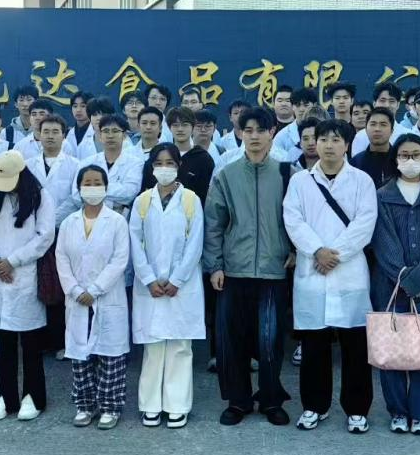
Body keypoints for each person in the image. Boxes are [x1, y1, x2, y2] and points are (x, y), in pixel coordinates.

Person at [283, 120, 377, 434]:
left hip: (348, 272)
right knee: (314, 346)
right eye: (322, 139)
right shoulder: (300, 181)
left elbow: (365, 223)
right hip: (313, 271)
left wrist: (334, 254)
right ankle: (314, 406)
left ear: (347, 145)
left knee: (355, 346)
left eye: (336, 140)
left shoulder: (361, 180)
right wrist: (316, 251)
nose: (328, 145)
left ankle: (357, 409)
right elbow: (293, 220)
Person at [204, 107, 296, 426]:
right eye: (248, 130)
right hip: (234, 269)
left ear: (272, 132)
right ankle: (238, 400)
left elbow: (299, 217)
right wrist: (215, 265)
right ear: (240, 133)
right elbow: (214, 223)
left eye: (261, 129)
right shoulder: (227, 175)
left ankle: (270, 400)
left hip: (273, 269)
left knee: (270, 339)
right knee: (232, 340)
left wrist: (295, 250)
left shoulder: (288, 173)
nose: (254, 136)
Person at [371, 133, 420, 434]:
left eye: (416, 155)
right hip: (389, 286)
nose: (410, 160)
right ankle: (397, 411)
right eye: (404, 155)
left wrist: (417, 280)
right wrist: (405, 278)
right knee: (391, 349)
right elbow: (383, 241)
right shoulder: (382, 196)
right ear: (395, 159)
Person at [0, 151, 57, 421]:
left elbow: (45, 235)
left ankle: (33, 396)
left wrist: (13, 261)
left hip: (24, 276)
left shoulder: (40, 197)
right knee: (4, 344)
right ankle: (5, 396)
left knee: (31, 343)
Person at [130, 145, 206, 429]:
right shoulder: (142, 201)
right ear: (151, 167)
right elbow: (134, 243)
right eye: (159, 163)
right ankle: (150, 405)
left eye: (170, 163)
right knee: (153, 348)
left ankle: (177, 406)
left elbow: (195, 243)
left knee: (179, 346)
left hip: (181, 286)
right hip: (149, 286)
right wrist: (148, 278)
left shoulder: (190, 200)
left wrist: (177, 280)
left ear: (179, 166)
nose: (164, 168)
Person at [57, 165, 132, 429]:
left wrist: (96, 289)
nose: (92, 187)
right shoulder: (69, 223)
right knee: (80, 354)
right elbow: (61, 259)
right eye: (87, 183)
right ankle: (85, 405)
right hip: (77, 299)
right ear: (79, 188)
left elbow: (120, 260)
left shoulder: (117, 221)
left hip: (107, 296)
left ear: (106, 187)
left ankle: (110, 406)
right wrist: (76, 290)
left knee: (110, 355)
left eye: (97, 182)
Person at [27, 113, 81, 358]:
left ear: (64, 135)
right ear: (38, 135)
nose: (50, 136)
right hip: (33, 233)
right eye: (45, 131)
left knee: (60, 286)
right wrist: (41, 224)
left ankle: (61, 341)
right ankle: (40, 340)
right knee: (37, 285)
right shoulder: (27, 165)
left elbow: (75, 198)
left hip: (62, 231)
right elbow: (25, 197)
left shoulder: (75, 165)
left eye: (55, 132)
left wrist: (49, 221)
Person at [72, 115, 144, 215]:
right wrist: (113, 197)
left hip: (120, 216)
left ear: (124, 135)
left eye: (115, 131)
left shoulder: (135, 163)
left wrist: (91, 190)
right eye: (106, 131)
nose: (110, 136)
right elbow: (76, 194)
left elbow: (129, 193)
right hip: (88, 215)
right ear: (100, 136)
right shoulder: (87, 163)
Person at [166, 107, 215, 203]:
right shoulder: (163, 155)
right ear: (169, 128)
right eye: (175, 125)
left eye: (185, 125)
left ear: (193, 127)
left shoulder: (204, 159)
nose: (180, 129)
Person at [351, 107, 398, 189]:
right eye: (373, 124)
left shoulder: (399, 161)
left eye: (383, 125)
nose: (377, 129)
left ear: (392, 131)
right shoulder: (355, 163)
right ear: (366, 129)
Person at [352, 83, 401, 155]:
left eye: (391, 101)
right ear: (374, 103)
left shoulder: (406, 134)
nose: (387, 105)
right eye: (382, 100)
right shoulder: (361, 136)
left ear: (398, 105)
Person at [270, 88, 316, 163]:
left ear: (314, 105)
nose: (302, 109)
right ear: (292, 107)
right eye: (298, 105)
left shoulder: (323, 130)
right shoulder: (282, 136)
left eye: (306, 105)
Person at [63, 92, 99, 160]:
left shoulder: (98, 131)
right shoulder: (69, 133)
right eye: (75, 106)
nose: (78, 110)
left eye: (83, 106)